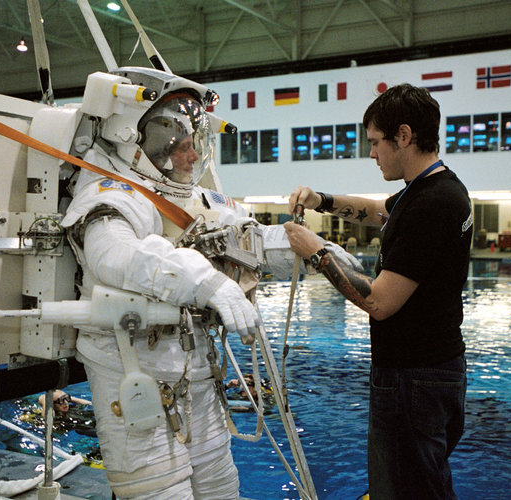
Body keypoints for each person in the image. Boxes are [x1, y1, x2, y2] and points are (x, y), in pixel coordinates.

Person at [57, 68, 360, 499]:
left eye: (193, 144)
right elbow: (114, 257)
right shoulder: (111, 194)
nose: (191, 157)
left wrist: (313, 253)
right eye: (176, 146)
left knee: (220, 487)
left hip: (194, 371)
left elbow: (248, 240)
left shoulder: (194, 199)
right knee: (161, 492)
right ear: (131, 138)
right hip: (133, 373)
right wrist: (204, 281)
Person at [284, 83, 473, 499]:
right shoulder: (432, 189)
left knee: (406, 490)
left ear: (403, 136)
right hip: (433, 369)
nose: (371, 153)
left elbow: (379, 302)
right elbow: (378, 212)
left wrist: (316, 251)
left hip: (413, 378)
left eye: (375, 142)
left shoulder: (433, 203)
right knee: (425, 482)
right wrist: (322, 200)